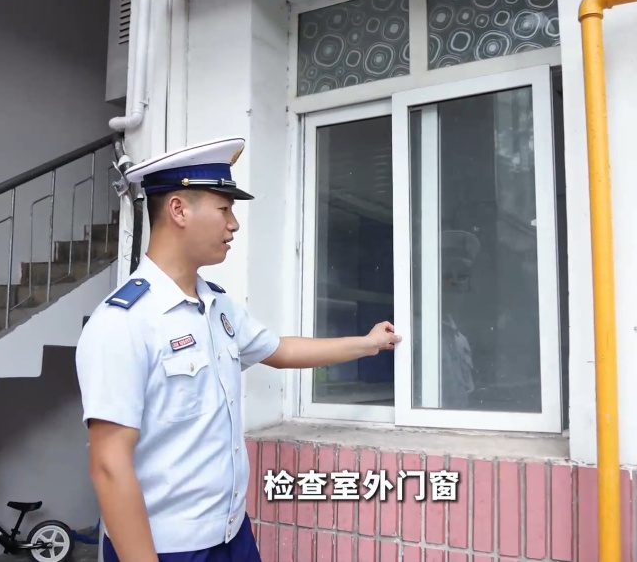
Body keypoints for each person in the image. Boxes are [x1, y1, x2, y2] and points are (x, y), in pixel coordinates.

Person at [74, 137, 402, 562]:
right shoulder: (124, 322)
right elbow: (109, 465)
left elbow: (279, 350)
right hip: (168, 548)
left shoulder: (217, 305)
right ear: (179, 210)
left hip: (232, 534)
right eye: (224, 210)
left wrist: (369, 343)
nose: (234, 225)